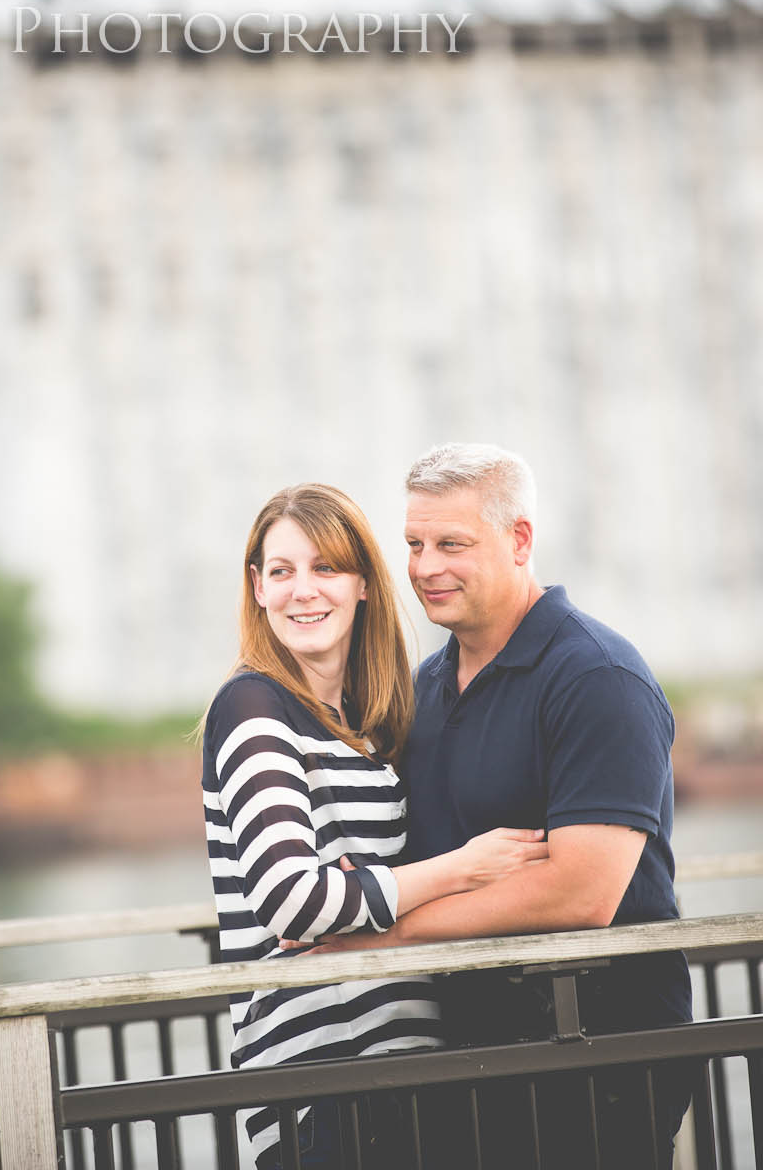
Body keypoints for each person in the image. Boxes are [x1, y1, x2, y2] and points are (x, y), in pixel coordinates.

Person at [304, 443, 695, 1169]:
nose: (425, 567)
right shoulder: (423, 688)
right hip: (462, 1054)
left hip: (598, 1052)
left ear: (519, 540)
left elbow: (582, 891)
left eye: (453, 543)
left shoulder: (598, 677)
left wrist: (386, 936)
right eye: (415, 544)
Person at [201, 482, 549, 1169]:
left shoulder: (365, 727)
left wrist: (358, 891)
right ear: (258, 588)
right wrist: (461, 869)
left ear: (362, 583)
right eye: (282, 571)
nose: (305, 590)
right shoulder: (252, 707)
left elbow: (342, 897)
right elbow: (294, 900)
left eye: (326, 568)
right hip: (320, 1089)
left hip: (408, 1068)